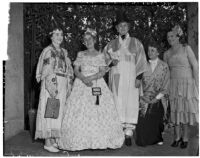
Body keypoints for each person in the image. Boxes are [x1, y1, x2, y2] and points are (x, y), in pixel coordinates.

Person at [57, 28, 125, 151]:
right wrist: (83, 78)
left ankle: (100, 140)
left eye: (90, 39)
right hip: (81, 84)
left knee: (98, 108)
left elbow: (102, 71)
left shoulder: (100, 55)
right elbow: (76, 70)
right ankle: (79, 140)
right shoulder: (80, 54)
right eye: (85, 40)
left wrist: (91, 78)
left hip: (96, 84)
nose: (88, 42)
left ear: (94, 40)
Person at [103, 11, 147, 146]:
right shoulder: (110, 44)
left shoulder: (136, 43)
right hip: (116, 76)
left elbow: (141, 60)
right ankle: (118, 131)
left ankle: (128, 133)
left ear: (128, 27)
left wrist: (139, 77)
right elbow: (103, 60)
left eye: (125, 25)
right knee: (117, 100)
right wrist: (111, 63)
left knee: (131, 101)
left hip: (131, 76)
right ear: (116, 28)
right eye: (120, 26)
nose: (122, 28)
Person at [35, 27, 74, 152]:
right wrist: (52, 86)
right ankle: (47, 141)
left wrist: (69, 83)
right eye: (56, 34)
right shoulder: (48, 51)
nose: (59, 37)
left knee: (58, 110)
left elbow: (69, 70)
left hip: (62, 82)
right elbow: (46, 70)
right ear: (51, 37)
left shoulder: (64, 52)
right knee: (50, 108)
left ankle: (52, 139)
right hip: (52, 82)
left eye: (61, 34)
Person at [164, 24, 199, 149]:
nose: (170, 38)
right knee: (175, 110)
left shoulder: (186, 48)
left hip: (187, 83)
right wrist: (166, 88)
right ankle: (177, 137)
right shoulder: (166, 53)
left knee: (185, 110)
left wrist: (197, 83)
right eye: (168, 37)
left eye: (172, 36)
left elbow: (195, 65)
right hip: (174, 84)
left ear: (178, 37)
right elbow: (166, 72)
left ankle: (185, 138)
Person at [135, 38, 170, 146]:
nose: (149, 53)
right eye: (149, 50)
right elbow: (138, 84)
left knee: (156, 117)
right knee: (141, 140)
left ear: (158, 52)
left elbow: (166, 84)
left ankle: (158, 136)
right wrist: (142, 97)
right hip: (144, 98)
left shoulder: (164, 66)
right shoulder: (143, 66)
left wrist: (156, 98)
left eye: (153, 50)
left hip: (159, 98)